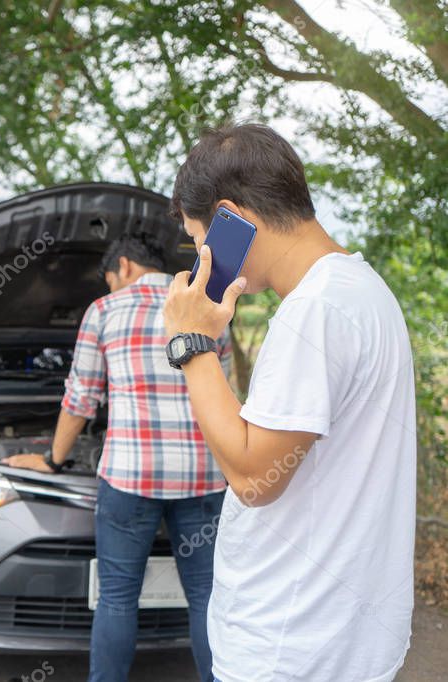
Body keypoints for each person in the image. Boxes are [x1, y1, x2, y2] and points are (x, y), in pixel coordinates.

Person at [162, 123, 415, 681]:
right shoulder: (357, 289)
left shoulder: (315, 311)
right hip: (335, 639)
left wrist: (191, 343)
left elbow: (254, 478)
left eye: (202, 238)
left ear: (233, 218)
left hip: (292, 647)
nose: (203, 255)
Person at [5, 234, 230, 682]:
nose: (110, 287)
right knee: (207, 596)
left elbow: (81, 399)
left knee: (117, 598)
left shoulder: (106, 311)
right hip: (204, 478)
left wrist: (51, 460)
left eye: (109, 279)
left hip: (130, 478)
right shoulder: (207, 304)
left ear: (123, 267)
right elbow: (224, 395)